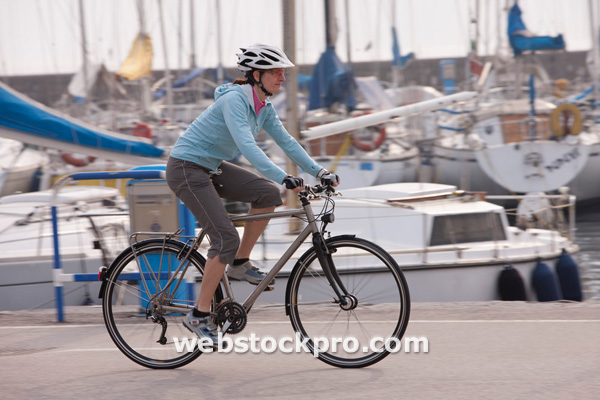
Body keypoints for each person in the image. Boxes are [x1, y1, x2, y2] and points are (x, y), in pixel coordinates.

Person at [166, 43, 339, 346]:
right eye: (276, 72)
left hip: (210, 167)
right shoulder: (235, 99)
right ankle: (198, 314)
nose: (282, 78)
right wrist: (283, 176)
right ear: (256, 74)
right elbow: (247, 146)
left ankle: (239, 263)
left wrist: (319, 171)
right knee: (225, 238)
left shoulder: (264, 106)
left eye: (283, 73)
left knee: (267, 195)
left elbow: (287, 142)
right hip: (186, 168)